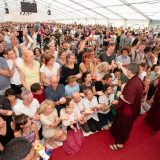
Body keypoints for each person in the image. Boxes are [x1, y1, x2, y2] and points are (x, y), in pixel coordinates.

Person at [109, 63, 144, 150]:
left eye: (127, 69)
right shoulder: (136, 78)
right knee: (119, 122)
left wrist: (120, 95)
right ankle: (114, 131)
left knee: (124, 127)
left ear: (130, 71)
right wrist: (120, 66)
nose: (126, 70)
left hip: (128, 111)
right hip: (128, 108)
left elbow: (129, 100)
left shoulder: (132, 85)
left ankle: (120, 144)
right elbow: (127, 74)